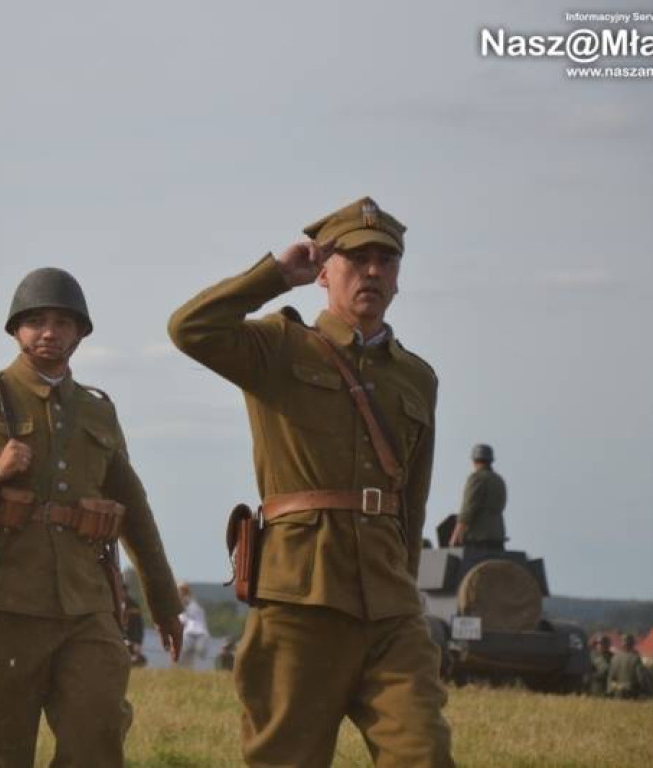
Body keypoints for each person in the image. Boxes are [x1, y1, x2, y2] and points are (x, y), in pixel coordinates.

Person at [169, 197, 454, 767]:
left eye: (385, 260)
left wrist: (402, 580)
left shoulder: (417, 378)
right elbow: (189, 329)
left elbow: (411, 502)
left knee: (424, 753)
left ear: (398, 278)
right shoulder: (279, 346)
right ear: (325, 271)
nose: (372, 271)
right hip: (301, 596)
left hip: (389, 606)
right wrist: (274, 274)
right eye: (355, 257)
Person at [0, 267, 184, 768]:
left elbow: (134, 508)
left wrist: (162, 600)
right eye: (35, 321)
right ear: (16, 330)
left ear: (80, 332)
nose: (49, 332)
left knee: (98, 731)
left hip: (86, 601)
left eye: (61, 321)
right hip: (5, 600)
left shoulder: (98, 412)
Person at [448, 444, 507, 548]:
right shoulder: (499, 480)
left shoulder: (477, 478)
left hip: (478, 538)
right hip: (498, 537)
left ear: (474, 461)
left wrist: (455, 536)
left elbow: (468, 509)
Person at [608, 634, 652, 699]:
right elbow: (641, 678)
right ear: (632, 644)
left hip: (617, 695)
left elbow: (610, 678)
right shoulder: (635, 658)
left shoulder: (614, 658)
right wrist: (647, 692)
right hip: (632, 694)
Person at [177, 582, 210, 668]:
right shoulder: (182, 607)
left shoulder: (193, 604)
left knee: (200, 651)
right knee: (185, 654)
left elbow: (192, 610)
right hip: (189, 633)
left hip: (200, 633)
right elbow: (182, 620)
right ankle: (183, 669)